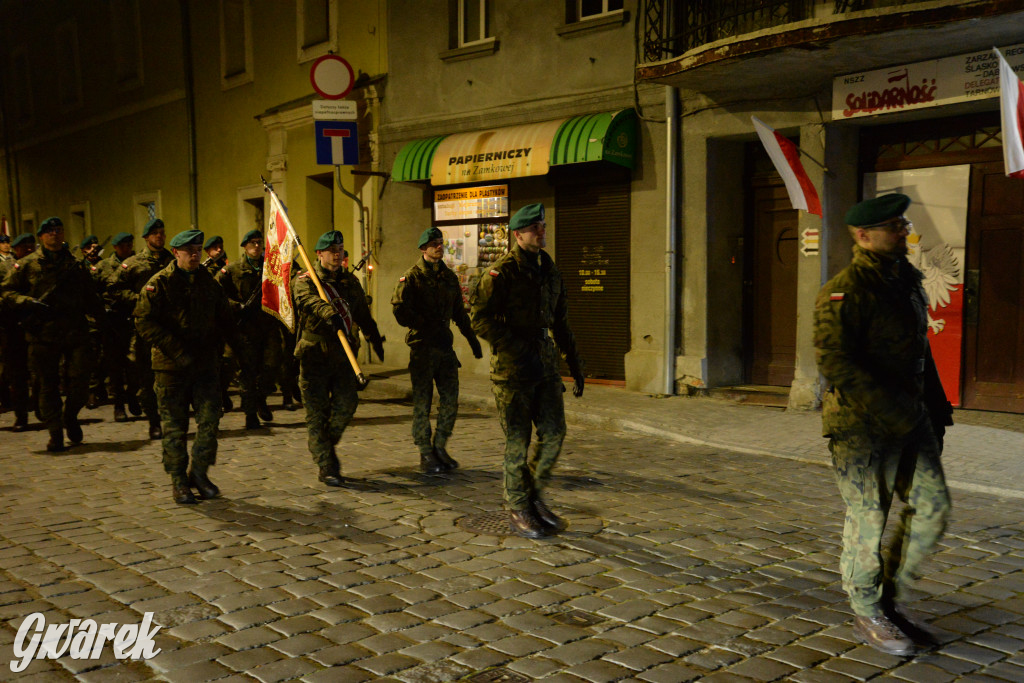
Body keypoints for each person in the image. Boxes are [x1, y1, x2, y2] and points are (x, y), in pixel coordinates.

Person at [813, 193, 953, 657]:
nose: (903, 231)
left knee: (931, 508)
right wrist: (895, 412)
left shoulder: (905, 282)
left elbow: (920, 350)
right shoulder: (846, 290)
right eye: (894, 225)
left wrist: (935, 404)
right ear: (862, 235)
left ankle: (887, 598)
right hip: (860, 425)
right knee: (869, 516)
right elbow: (837, 363)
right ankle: (867, 608)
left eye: (904, 223)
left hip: (912, 416)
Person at [470, 203, 584, 538]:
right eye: (535, 228)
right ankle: (518, 506)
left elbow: (560, 321)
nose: (541, 232)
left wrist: (575, 363)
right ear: (518, 235)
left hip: (545, 365)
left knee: (554, 434)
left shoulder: (549, 269)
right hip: (512, 369)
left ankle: (532, 496)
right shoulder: (501, 273)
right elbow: (479, 319)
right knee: (518, 441)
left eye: (543, 226)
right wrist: (518, 350)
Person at [134, 229, 238, 504]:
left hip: (204, 365)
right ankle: (179, 481)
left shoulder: (209, 282)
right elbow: (144, 322)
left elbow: (223, 318)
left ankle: (200, 473)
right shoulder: (160, 283)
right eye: (189, 251)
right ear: (176, 252)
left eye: (198, 250)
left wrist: (233, 348)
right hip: (171, 367)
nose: (195, 255)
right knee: (175, 426)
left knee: (209, 422)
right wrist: (177, 351)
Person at [0, 218, 104, 451]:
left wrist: (103, 318)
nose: (55, 235)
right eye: (49, 232)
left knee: (80, 380)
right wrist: (27, 302)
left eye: (58, 230)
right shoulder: (27, 264)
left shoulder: (76, 264)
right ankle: (55, 431)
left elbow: (90, 296)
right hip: (43, 332)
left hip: (75, 331)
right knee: (46, 384)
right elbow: (6, 290)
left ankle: (71, 416)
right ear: (41, 237)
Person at [291, 230, 384, 487]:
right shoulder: (305, 280)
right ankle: (327, 465)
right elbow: (306, 300)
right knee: (317, 415)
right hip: (314, 357)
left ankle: (323, 445)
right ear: (319, 254)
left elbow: (362, 313)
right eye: (331, 251)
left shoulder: (349, 282)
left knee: (347, 405)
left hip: (343, 357)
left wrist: (373, 335)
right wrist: (327, 311)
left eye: (340, 250)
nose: (337, 255)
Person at [392, 227, 482, 473]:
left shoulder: (449, 277)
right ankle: (425, 452)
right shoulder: (410, 277)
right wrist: (421, 322)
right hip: (422, 346)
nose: (439, 247)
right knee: (423, 402)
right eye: (434, 244)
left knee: (450, 399)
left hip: (444, 345)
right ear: (423, 249)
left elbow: (459, 313)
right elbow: (399, 310)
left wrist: (472, 339)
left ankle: (440, 446)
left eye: (441, 243)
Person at [106, 218, 173, 439]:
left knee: (171, 377)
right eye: (155, 234)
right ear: (146, 238)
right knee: (146, 378)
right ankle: (154, 421)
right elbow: (114, 289)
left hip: (169, 328)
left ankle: (169, 418)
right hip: (143, 329)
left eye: (162, 233)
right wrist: (139, 300)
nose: (159, 237)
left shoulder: (172, 261)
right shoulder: (133, 264)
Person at [216, 229, 279, 429]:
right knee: (248, 373)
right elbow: (216, 294)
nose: (256, 246)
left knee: (271, 368)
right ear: (244, 246)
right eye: (252, 243)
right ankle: (250, 414)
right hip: (244, 329)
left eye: (259, 243)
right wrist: (236, 306)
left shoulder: (270, 268)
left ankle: (261, 398)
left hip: (267, 326)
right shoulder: (232, 270)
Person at [97, 232, 138, 422]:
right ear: (115, 247)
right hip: (112, 321)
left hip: (134, 317)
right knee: (115, 366)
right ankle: (119, 404)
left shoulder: (137, 262)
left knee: (136, 363)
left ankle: (133, 395)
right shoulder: (103, 267)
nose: (126, 248)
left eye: (129, 245)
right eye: (123, 245)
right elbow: (92, 291)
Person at [0, 233, 37, 431]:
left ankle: (43, 408)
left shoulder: (38, 266)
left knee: (40, 370)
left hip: (38, 325)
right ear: (17, 249)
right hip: (12, 326)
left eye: (32, 246)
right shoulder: (7, 268)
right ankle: (21, 414)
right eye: (25, 247)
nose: (29, 250)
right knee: (17, 374)